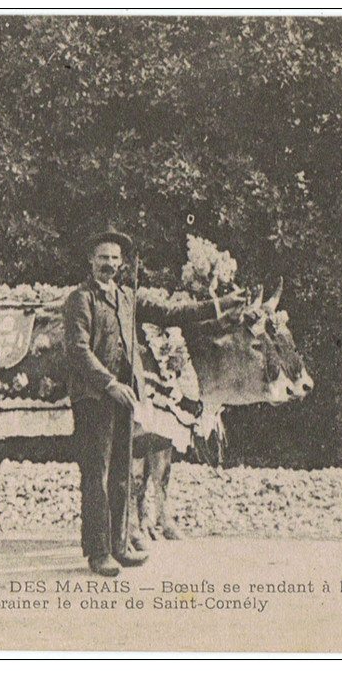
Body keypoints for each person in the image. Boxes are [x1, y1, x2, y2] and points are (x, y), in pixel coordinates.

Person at [64, 228, 245, 576]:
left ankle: (119, 546)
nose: (110, 265)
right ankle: (98, 552)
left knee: (120, 475)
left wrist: (219, 307)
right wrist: (108, 383)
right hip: (93, 398)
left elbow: (171, 313)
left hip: (124, 398)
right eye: (104, 258)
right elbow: (77, 350)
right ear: (90, 260)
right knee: (96, 476)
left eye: (116, 259)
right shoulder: (80, 299)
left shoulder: (128, 297)